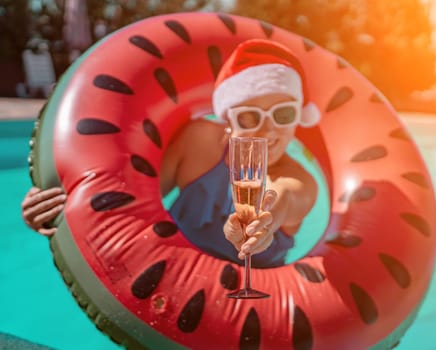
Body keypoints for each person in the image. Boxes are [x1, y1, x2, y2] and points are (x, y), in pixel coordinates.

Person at [21, 39, 320, 268]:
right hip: (168, 281)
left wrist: (266, 218)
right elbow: (127, 197)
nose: (268, 130)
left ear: (299, 116)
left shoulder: (300, 181)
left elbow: (284, 198)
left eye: (282, 114)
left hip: (247, 310)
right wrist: (57, 207)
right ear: (227, 118)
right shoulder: (199, 142)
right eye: (250, 117)